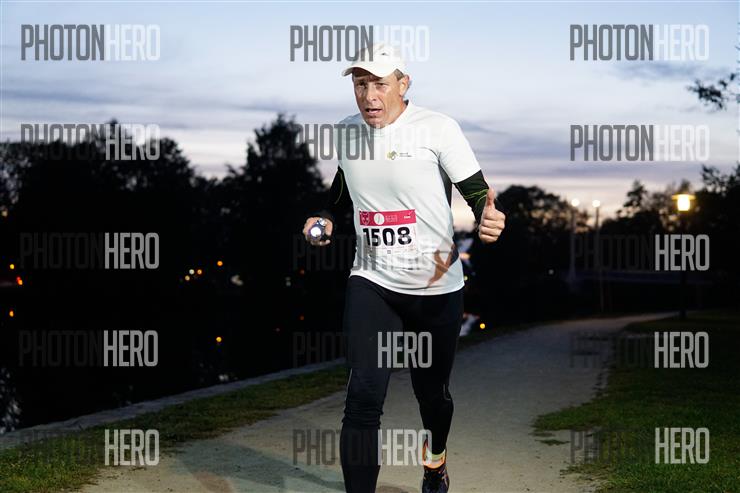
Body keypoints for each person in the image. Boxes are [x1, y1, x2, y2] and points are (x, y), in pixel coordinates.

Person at [302, 43, 505, 493]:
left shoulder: (437, 128)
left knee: (432, 397)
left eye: (379, 83)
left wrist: (487, 216)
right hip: (372, 281)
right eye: (360, 85)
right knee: (362, 398)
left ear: (403, 83)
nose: (369, 95)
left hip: (435, 287)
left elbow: (476, 191)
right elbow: (343, 190)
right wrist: (326, 216)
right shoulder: (346, 132)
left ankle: (435, 461)